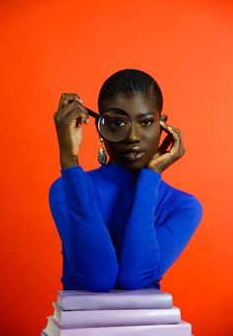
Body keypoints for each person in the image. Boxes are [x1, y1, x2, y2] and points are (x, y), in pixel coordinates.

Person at [49, 69, 203, 292]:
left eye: (146, 122)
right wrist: (69, 159)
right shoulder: (65, 188)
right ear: (101, 129)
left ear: (163, 126)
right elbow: (97, 278)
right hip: (79, 326)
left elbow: (133, 277)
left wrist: (150, 177)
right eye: (119, 123)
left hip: (148, 327)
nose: (133, 137)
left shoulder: (183, 206)